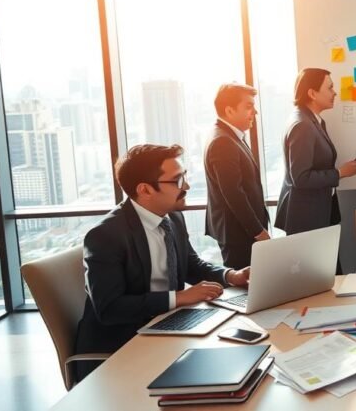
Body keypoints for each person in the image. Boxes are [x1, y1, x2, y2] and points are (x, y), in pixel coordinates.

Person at [75, 144, 250, 381]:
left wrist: (232, 276)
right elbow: (110, 309)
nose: (186, 186)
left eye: (185, 177)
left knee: (237, 361)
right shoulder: (106, 236)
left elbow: (190, 265)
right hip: (121, 345)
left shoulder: (173, 216)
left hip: (168, 325)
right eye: (177, 181)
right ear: (145, 189)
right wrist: (178, 298)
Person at [275, 68, 356, 244]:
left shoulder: (313, 120)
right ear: (312, 93)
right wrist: (340, 173)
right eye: (329, 88)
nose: (334, 92)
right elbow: (300, 177)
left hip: (319, 212)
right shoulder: (302, 125)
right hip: (308, 217)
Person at [204, 83, 271, 269]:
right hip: (239, 233)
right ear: (229, 110)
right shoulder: (222, 141)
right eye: (248, 106)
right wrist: (258, 231)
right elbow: (233, 193)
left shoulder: (230, 136)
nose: (255, 112)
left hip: (242, 231)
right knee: (246, 292)